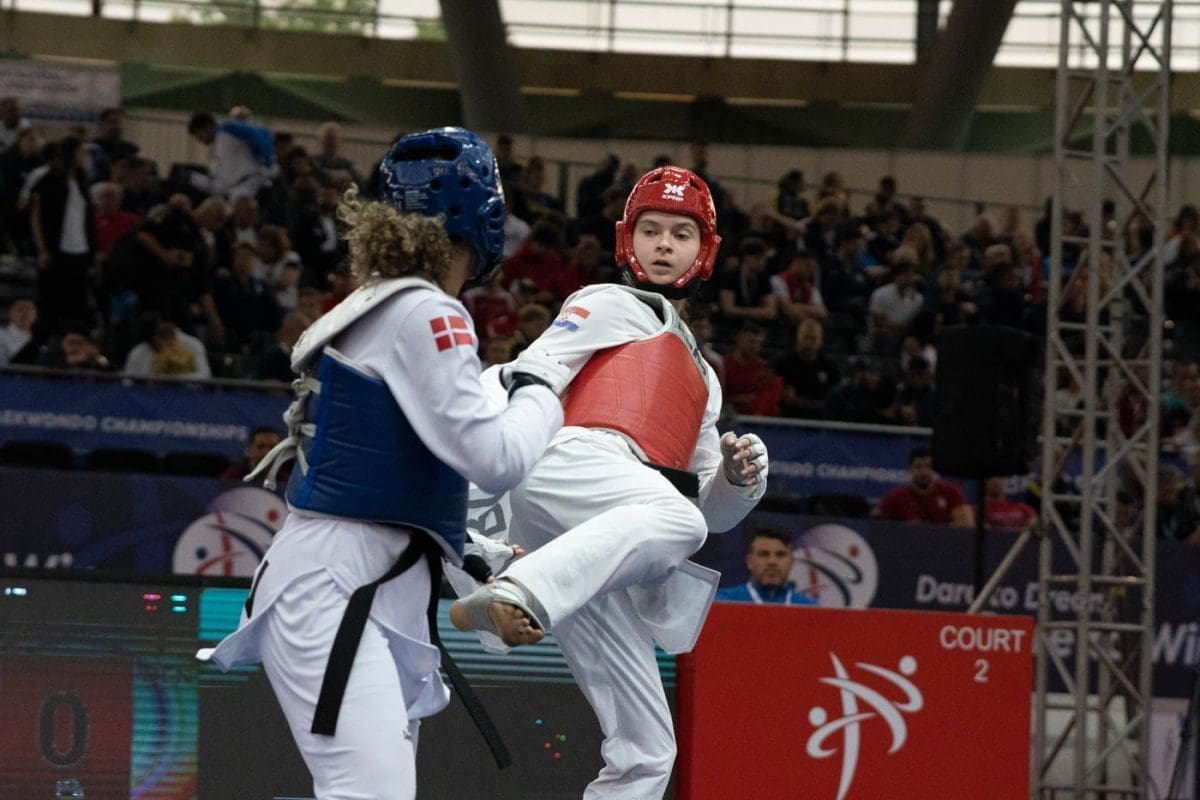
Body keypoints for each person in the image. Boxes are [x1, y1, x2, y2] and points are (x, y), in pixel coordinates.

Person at [196, 127, 564, 800]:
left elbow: (382, 462)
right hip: (338, 586)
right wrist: (543, 388)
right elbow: (497, 458)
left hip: (363, 581)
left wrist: (465, 545)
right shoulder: (425, 310)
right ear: (483, 217)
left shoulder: (383, 304)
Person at [451, 166, 769, 800]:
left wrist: (738, 481)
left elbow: (711, 513)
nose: (663, 244)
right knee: (676, 520)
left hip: (592, 534)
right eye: (651, 230)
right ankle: (516, 588)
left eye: (680, 234)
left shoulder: (706, 378)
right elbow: (534, 371)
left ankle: (522, 586)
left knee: (649, 749)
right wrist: (483, 487)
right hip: (568, 461)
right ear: (628, 240)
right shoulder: (608, 301)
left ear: (704, 251)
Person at [715, 526, 817, 605]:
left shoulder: (811, 608)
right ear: (749, 561)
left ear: (792, 562)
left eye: (780, 555)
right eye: (764, 554)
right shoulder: (721, 601)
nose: (772, 562)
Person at [875, 446, 974, 527]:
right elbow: (876, 523)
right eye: (918, 467)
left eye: (928, 466)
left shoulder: (951, 492)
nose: (924, 472)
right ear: (909, 470)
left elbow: (965, 526)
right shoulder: (895, 497)